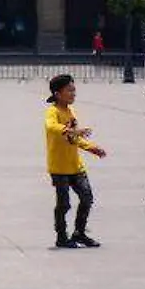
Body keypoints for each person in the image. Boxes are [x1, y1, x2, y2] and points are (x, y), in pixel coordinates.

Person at [44, 74, 107, 248]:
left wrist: (91, 147)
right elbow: (51, 127)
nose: (73, 94)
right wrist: (72, 131)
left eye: (74, 90)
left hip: (75, 165)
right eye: (69, 90)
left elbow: (74, 138)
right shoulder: (53, 111)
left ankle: (79, 233)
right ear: (58, 93)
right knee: (63, 204)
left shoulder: (71, 112)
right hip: (59, 167)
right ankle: (61, 236)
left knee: (87, 198)